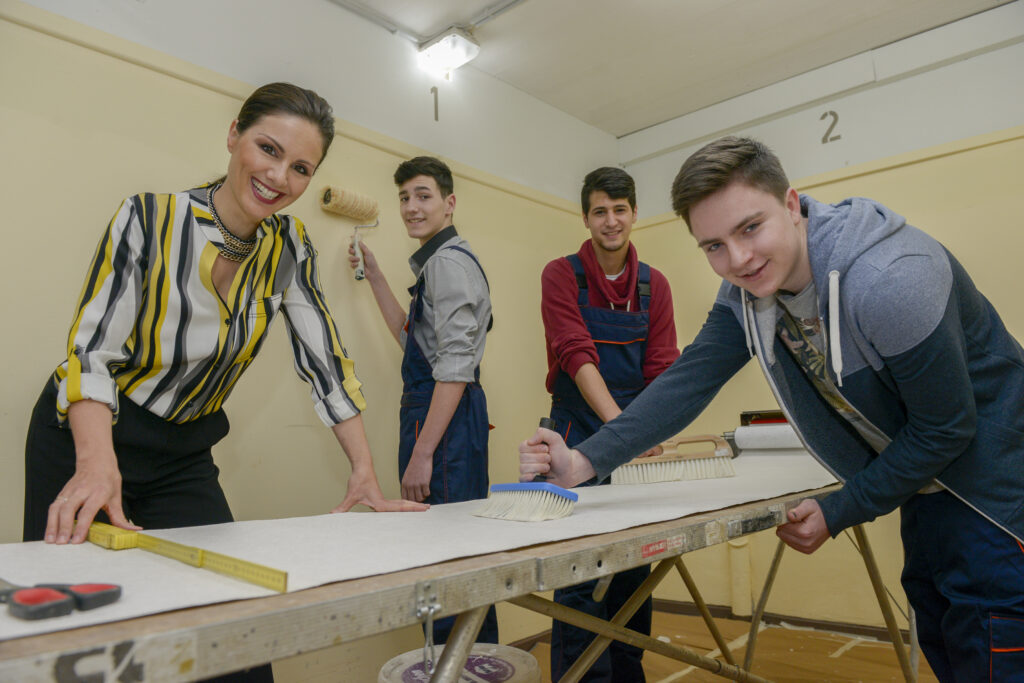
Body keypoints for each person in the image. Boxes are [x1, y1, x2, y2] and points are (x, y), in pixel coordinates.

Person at [520, 136, 1024, 682]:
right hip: (926, 486)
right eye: (712, 245)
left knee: (991, 648)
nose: (737, 259)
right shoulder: (743, 291)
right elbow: (689, 379)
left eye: (749, 228)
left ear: (791, 204)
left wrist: (841, 508)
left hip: (990, 488)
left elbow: (946, 429)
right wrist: (583, 461)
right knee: (950, 648)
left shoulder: (890, 278)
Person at [348, 156, 497, 644]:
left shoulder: (449, 264)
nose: (411, 207)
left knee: (447, 561)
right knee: (459, 559)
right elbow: (411, 338)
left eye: (423, 196)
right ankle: (472, 666)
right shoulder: (439, 263)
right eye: (404, 198)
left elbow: (453, 370)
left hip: (442, 421)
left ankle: (462, 669)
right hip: (441, 414)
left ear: (449, 203)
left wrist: (423, 453)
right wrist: (374, 276)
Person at [541, 167, 678, 682]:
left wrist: (652, 430)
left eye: (620, 209)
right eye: (600, 210)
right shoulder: (560, 275)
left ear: (635, 213)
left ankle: (627, 675)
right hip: (576, 432)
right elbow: (575, 354)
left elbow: (663, 367)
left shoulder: (653, 285)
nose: (611, 220)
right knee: (578, 570)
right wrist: (625, 431)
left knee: (632, 567)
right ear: (586, 217)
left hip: (633, 433)